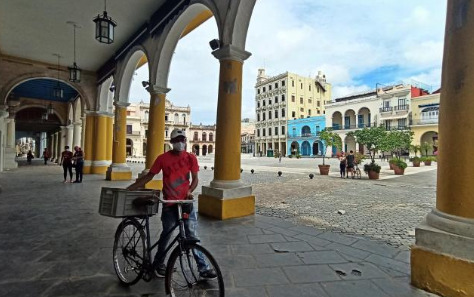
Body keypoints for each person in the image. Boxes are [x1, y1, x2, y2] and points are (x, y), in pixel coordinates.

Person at [126, 128, 216, 279]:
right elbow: (149, 176)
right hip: (169, 203)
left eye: (183, 140)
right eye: (177, 140)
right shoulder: (162, 158)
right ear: (172, 142)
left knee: (191, 235)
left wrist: (190, 190)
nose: (181, 143)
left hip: (185, 203)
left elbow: (194, 179)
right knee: (167, 235)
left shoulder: (191, 158)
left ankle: (203, 268)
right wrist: (131, 188)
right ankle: (159, 263)